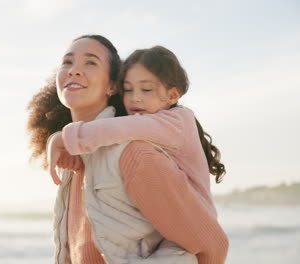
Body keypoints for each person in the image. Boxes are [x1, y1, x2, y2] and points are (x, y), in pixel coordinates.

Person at [27, 35, 228, 264]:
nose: (74, 71)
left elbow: (213, 245)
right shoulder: (72, 157)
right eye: (67, 62)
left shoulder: (133, 154)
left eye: (90, 62)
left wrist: (65, 137)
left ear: (113, 86)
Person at [47, 46, 225, 218]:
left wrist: (63, 138)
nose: (135, 98)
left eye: (146, 89)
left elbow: (119, 128)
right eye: (128, 90)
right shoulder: (153, 129)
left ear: (172, 96)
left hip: (193, 227)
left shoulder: (178, 121)